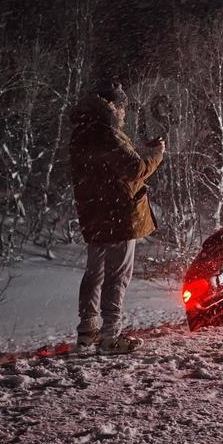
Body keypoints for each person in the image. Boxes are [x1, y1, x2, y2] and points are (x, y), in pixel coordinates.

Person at [67, 80, 165, 353]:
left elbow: (109, 168)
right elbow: (133, 169)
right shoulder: (107, 133)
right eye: (121, 108)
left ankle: (87, 331)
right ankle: (111, 334)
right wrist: (157, 154)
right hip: (118, 214)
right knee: (118, 275)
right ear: (112, 107)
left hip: (94, 212)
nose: (123, 113)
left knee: (94, 273)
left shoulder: (82, 133)